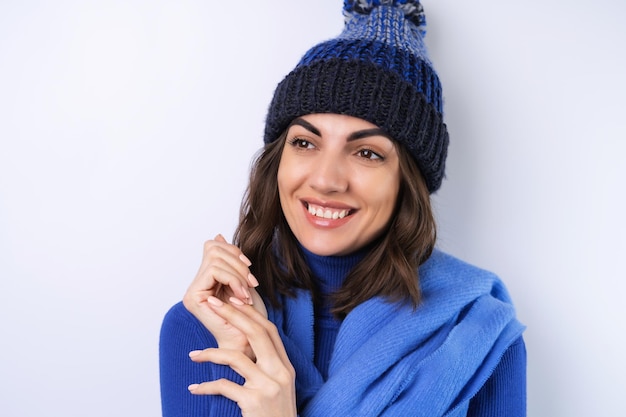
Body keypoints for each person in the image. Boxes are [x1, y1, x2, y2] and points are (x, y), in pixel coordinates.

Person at [159, 1, 527, 416]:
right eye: (305, 142)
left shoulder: (476, 335)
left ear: (408, 182)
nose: (326, 179)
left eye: (367, 152)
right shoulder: (201, 325)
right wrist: (242, 353)